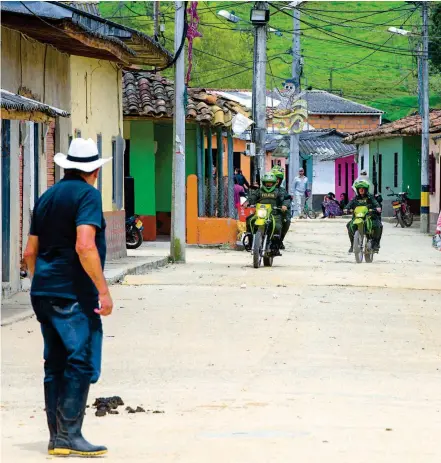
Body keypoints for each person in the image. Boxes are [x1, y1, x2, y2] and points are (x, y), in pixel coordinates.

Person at [23, 138, 113, 457]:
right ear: (93, 171)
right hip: (72, 291)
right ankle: (69, 434)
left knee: (56, 361)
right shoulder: (88, 196)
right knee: (82, 358)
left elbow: (29, 252)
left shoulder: (46, 198)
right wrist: (103, 289)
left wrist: (41, 283)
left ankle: (57, 437)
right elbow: (85, 244)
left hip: (43, 290)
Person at [243, 172, 290, 253]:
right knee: (249, 220)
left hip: (274, 214)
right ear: (263, 183)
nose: (268, 185)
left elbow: (286, 199)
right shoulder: (259, 191)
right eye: (267, 183)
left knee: (278, 226)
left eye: (270, 183)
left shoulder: (279, 191)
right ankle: (250, 241)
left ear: (274, 183)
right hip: (260, 213)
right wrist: (247, 202)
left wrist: (284, 205)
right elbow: (253, 197)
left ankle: (275, 246)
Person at [345, 180, 382, 253]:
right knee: (349, 225)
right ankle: (353, 244)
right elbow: (349, 205)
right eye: (359, 188)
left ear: (366, 189)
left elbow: (376, 204)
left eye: (363, 188)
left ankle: (376, 244)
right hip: (357, 217)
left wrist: (377, 208)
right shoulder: (355, 198)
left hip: (369, 216)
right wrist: (346, 209)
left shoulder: (370, 197)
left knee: (378, 225)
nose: (361, 190)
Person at [272, 166, 292, 250]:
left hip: (278, 212)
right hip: (265, 211)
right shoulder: (264, 189)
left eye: (278, 179)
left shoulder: (282, 190)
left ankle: (280, 240)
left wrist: (284, 205)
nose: (276, 180)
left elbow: (286, 199)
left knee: (287, 220)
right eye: (275, 178)